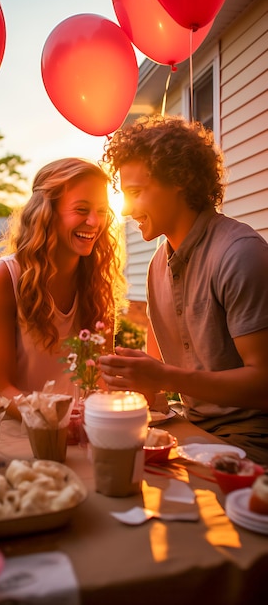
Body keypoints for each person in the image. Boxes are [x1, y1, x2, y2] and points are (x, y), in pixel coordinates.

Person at [99, 115, 268, 464]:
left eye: (135, 192)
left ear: (178, 179)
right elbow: (156, 375)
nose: (127, 209)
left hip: (252, 440)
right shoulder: (157, 266)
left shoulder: (239, 254)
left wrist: (162, 376)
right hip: (191, 427)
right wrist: (134, 382)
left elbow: (264, 383)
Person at [0, 157, 126, 420]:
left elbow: (98, 381)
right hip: (16, 427)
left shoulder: (99, 282)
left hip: (76, 428)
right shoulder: (3, 278)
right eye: (82, 209)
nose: (94, 222)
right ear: (46, 213)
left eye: (102, 211)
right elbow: (2, 389)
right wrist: (56, 420)